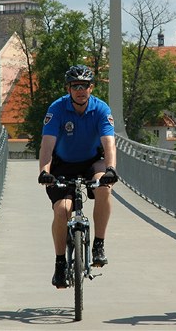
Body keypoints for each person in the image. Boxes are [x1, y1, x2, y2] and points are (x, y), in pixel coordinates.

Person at [38, 65, 118, 289]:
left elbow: (109, 143)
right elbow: (47, 144)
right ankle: (60, 263)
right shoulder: (57, 109)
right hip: (63, 164)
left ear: (91, 87)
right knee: (62, 210)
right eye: (76, 86)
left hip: (92, 161)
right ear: (69, 89)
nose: (81, 90)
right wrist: (44, 171)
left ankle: (98, 245)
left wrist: (111, 169)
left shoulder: (101, 109)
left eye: (85, 85)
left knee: (104, 188)